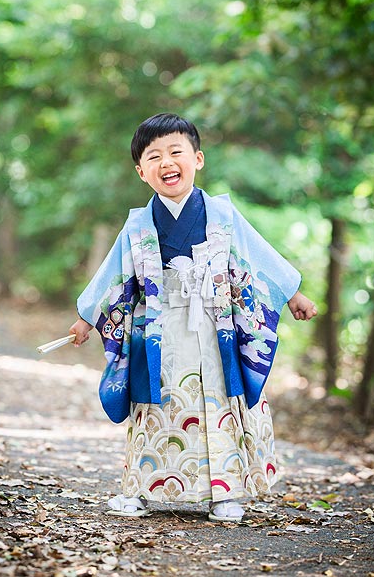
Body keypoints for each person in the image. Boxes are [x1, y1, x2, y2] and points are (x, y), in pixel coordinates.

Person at [69, 112, 317, 522]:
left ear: (197, 159)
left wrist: (292, 293)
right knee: (152, 403)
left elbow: (257, 254)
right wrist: (85, 316)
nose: (167, 162)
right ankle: (141, 489)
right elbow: (112, 273)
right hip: (158, 330)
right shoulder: (137, 225)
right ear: (141, 171)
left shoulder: (222, 214)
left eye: (175, 152)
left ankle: (225, 492)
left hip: (214, 324)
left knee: (218, 399)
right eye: (154, 156)